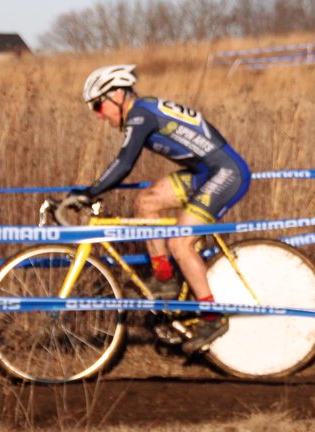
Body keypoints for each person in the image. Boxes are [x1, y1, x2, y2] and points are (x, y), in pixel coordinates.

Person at [61, 64, 251, 354]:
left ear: (116, 95)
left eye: (99, 106)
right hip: (205, 172)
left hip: (226, 173)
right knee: (146, 202)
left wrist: (90, 191)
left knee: (179, 241)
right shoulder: (144, 110)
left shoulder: (141, 114)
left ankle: (212, 317)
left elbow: (124, 163)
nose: (99, 116)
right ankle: (164, 279)